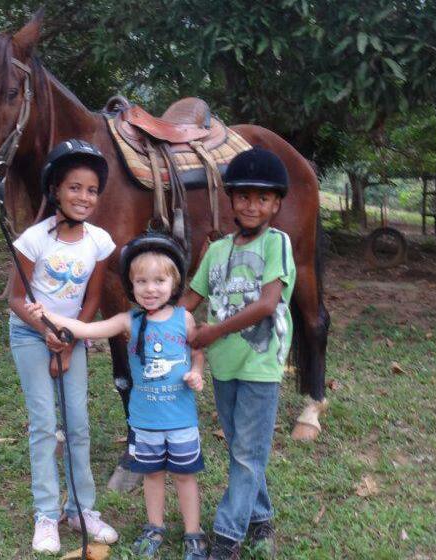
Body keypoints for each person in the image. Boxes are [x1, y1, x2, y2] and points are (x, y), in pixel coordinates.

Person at [27, 232, 210, 560]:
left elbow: (196, 350)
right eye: (142, 281)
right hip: (145, 421)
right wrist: (46, 315)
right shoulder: (129, 320)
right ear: (131, 285)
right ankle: (154, 527)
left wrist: (196, 371)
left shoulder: (184, 318)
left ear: (174, 283)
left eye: (159, 281)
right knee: (152, 475)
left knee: (185, 477)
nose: (150, 289)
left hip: (181, 420)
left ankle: (193, 533)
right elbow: (87, 330)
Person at [180, 147, 296, 560]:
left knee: (247, 452)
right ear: (231, 199)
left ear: (276, 204)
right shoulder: (216, 251)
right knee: (241, 448)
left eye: (263, 198)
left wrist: (212, 332)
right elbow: (191, 300)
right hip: (224, 366)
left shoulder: (276, 244)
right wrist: (153, 321)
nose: (252, 205)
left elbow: (267, 304)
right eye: (244, 196)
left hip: (261, 363)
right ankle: (261, 518)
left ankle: (227, 537)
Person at [8, 139, 119, 554]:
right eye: (74, 187)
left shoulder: (99, 241)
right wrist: (45, 332)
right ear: (55, 189)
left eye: (92, 190)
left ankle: (81, 510)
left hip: (73, 337)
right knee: (43, 424)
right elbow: (16, 298)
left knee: (77, 424)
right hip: (30, 335)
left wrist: (71, 340)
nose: (84, 197)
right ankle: (46, 514)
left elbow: (93, 297)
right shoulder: (34, 240)